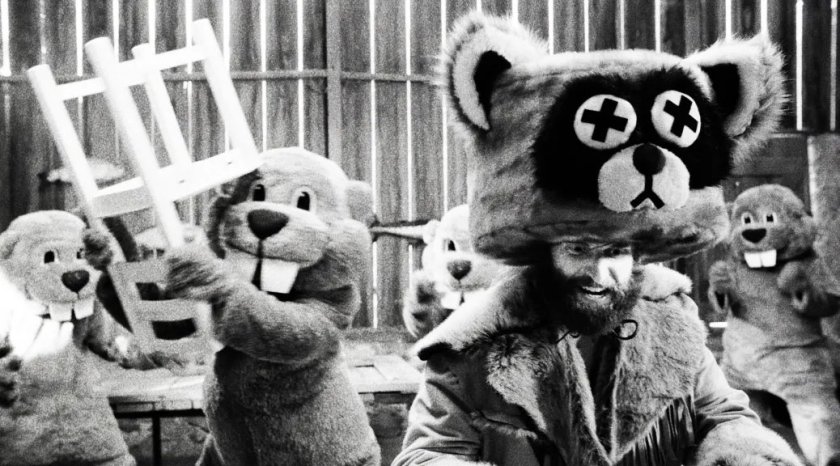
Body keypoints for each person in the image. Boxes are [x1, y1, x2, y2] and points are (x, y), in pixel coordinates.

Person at [393, 241, 801, 465]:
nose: (598, 270)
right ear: (544, 254)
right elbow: (429, 453)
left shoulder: (672, 325)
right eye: (578, 248)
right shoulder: (470, 348)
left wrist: (748, 458)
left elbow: (723, 416)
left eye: (615, 250)